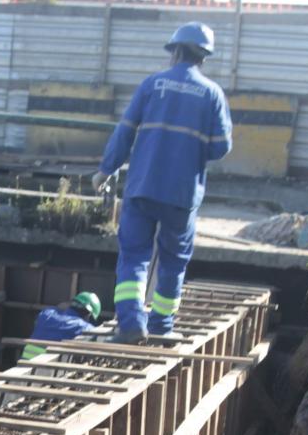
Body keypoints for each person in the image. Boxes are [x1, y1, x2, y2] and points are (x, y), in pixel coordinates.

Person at [94, 22, 233, 341]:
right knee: (173, 261)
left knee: (134, 255)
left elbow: (124, 132)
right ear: (204, 57)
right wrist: (191, 148)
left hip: (143, 186)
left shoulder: (151, 85)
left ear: (175, 51)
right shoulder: (212, 94)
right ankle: (160, 325)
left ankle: (130, 323)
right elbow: (221, 146)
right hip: (182, 195)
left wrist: (105, 171)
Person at [22, 292, 102, 360]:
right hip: (45, 370)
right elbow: (98, 337)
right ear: (89, 315)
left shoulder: (47, 314)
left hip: (24, 362)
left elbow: (59, 307)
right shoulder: (83, 327)